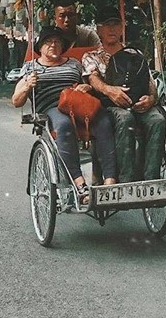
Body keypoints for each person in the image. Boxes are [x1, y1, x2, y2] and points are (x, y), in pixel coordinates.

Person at [12, 26, 117, 203]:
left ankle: (110, 182)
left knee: (104, 122)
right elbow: (17, 101)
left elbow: (88, 83)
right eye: (48, 42)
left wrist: (86, 87)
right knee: (64, 126)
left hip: (78, 104)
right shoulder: (30, 67)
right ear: (40, 47)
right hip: (52, 107)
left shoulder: (74, 64)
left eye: (57, 42)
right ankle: (80, 186)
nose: (53, 45)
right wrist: (28, 85)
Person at [83, 12, 166, 183]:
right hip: (109, 106)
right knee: (125, 117)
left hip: (139, 103)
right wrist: (109, 90)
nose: (112, 29)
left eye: (116, 24)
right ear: (99, 30)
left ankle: (152, 178)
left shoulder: (135, 54)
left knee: (158, 120)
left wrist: (151, 98)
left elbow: (150, 81)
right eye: (107, 25)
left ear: (122, 28)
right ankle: (125, 178)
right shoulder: (91, 56)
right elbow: (93, 79)